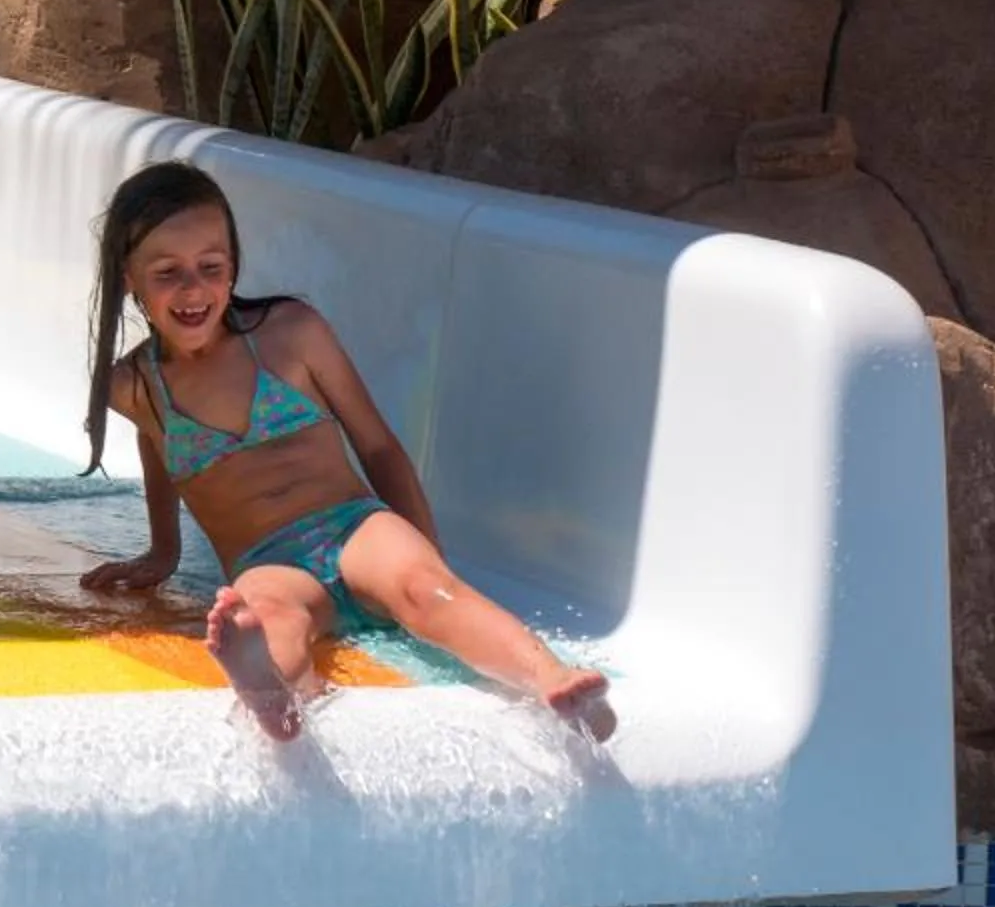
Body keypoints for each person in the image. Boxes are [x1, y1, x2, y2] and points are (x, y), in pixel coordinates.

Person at [78, 160, 615, 745]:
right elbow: (159, 450)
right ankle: (274, 694)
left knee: (425, 590)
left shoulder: (289, 334)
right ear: (128, 276)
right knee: (269, 614)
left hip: (356, 529)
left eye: (211, 267)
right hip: (267, 559)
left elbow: (377, 445)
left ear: (234, 265)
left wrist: (427, 550)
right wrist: (163, 551)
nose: (193, 290)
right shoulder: (134, 386)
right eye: (167, 273)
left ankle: (553, 679)